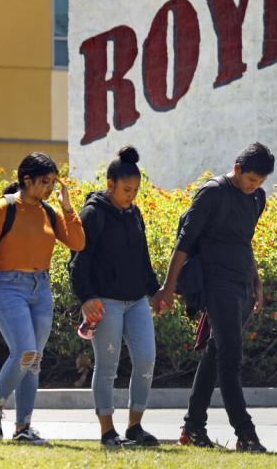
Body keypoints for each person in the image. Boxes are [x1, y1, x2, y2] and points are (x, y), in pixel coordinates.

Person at [151, 142, 274, 453]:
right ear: (237, 168)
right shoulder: (213, 192)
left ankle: (192, 427)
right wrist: (168, 287)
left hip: (243, 283)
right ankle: (246, 434)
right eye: (250, 180)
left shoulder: (257, 198)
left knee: (215, 354)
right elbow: (185, 241)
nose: (253, 187)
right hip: (217, 285)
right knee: (230, 357)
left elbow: (245, 241)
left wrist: (256, 282)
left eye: (259, 182)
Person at [0, 152, 85, 444]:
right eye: (44, 182)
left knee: (35, 360)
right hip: (7, 288)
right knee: (25, 352)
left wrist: (67, 208)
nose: (50, 188)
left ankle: (23, 427)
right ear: (26, 180)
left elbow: (78, 242)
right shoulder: (3, 209)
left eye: (54, 182)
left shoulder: (49, 212)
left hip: (40, 289)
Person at [69, 146, 162, 447]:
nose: (131, 196)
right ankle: (107, 431)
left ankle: (135, 427)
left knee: (146, 359)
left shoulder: (134, 214)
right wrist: (86, 298)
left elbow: (143, 259)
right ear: (110, 184)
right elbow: (77, 261)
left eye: (135, 190)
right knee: (107, 366)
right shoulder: (93, 214)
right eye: (125, 189)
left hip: (136, 301)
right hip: (104, 303)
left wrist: (155, 290)